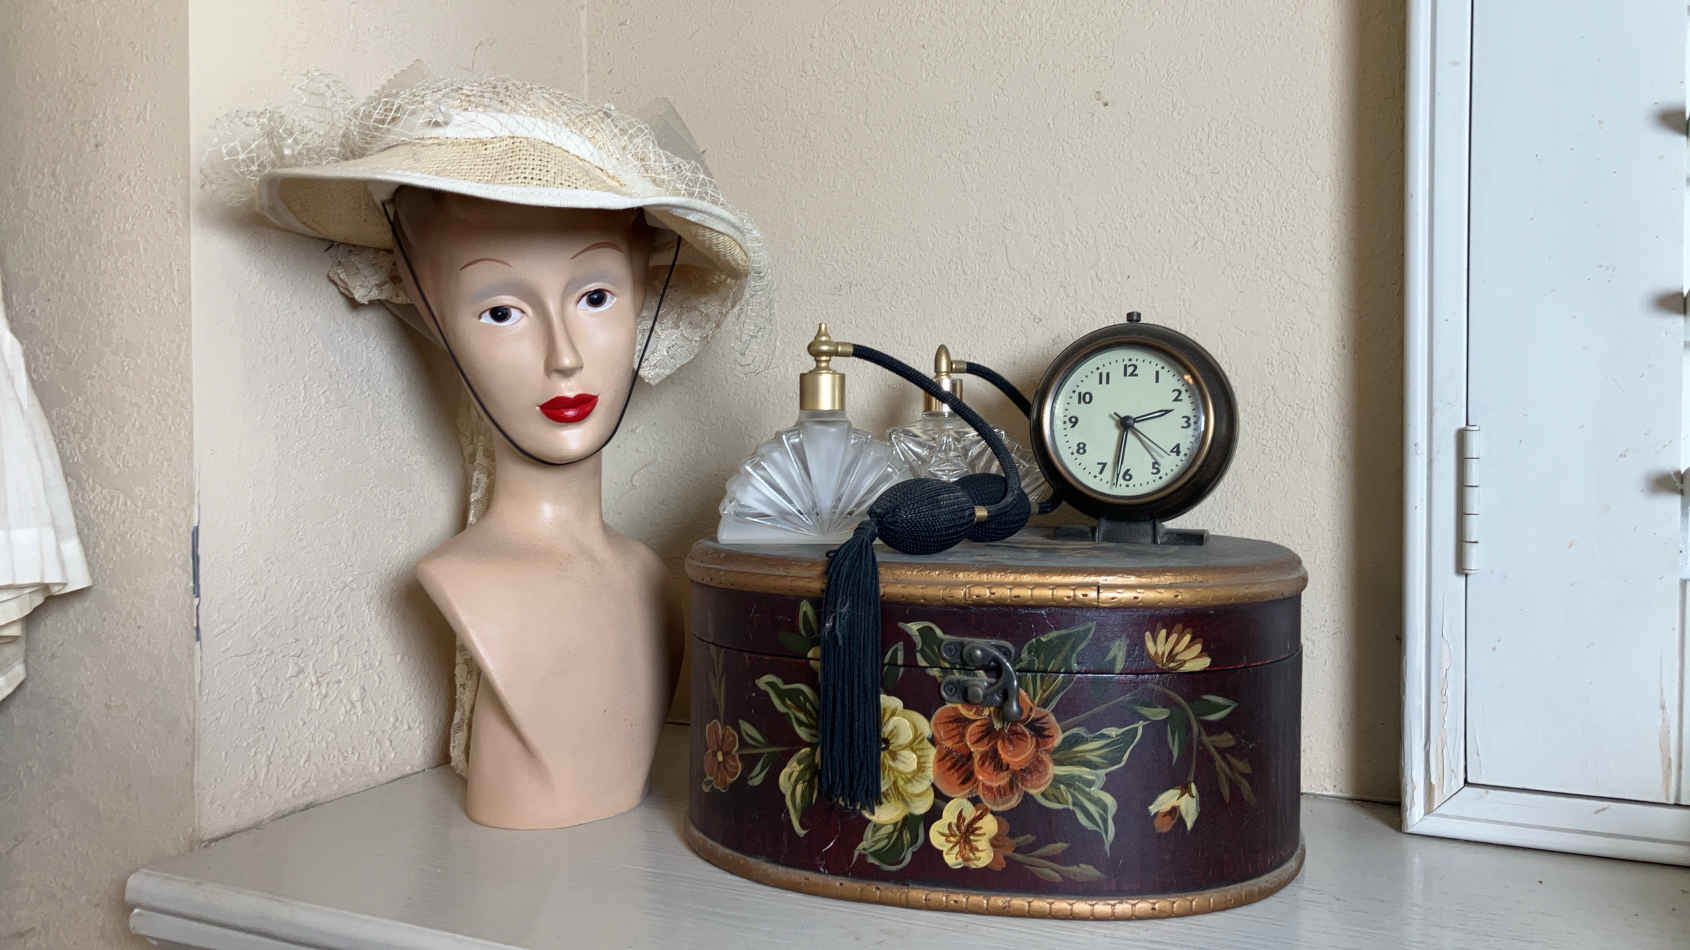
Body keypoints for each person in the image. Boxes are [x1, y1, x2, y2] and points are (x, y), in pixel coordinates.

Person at [206, 69, 768, 828]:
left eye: (595, 297)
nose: (564, 356)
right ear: (426, 305)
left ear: (643, 289)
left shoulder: (652, 583)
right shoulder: (465, 582)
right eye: (502, 311)